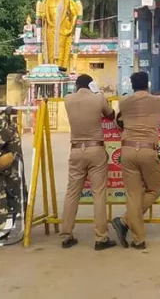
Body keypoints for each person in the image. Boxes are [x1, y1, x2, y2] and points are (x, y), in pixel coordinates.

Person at [111, 71, 160, 249]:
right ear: (147, 85)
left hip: (126, 150)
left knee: (133, 195)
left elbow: (118, 121)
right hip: (147, 150)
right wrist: (159, 114)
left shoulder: (124, 102)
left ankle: (138, 238)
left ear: (132, 86)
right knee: (155, 189)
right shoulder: (156, 100)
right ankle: (124, 221)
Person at [61, 74, 116, 250]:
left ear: (76, 86)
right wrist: (99, 94)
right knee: (98, 194)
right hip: (96, 149)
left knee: (71, 193)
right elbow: (111, 114)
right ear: (90, 85)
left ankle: (66, 234)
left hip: (76, 150)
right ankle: (101, 237)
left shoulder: (68, 99)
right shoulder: (98, 99)